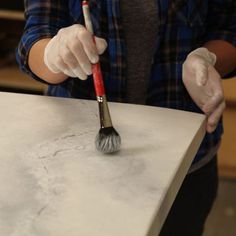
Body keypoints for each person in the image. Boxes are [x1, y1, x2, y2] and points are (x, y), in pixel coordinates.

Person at [16, 0, 236, 235]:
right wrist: (54, 55)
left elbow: (228, 29)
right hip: (79, 163)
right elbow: (35, 36)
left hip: (184, 162)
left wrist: (207, 59)